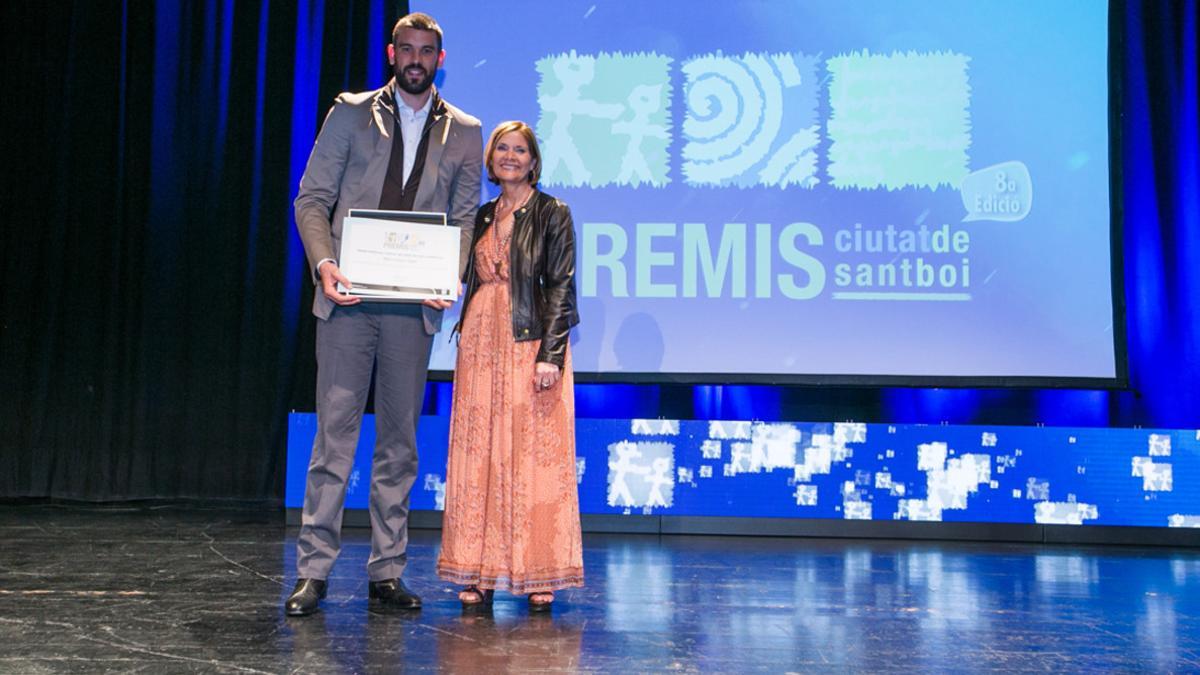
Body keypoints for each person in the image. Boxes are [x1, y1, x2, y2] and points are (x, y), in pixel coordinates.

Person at [287, 12, 482, 617]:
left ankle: (386, 571)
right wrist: (324, 266)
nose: (417, 59)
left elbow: (466, 216)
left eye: (428, 51)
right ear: (392, 53)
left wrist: (451, 273)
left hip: (411, 308)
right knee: (334, 438)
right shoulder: (350, 112)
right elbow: (312, 200)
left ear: (440, 59)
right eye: (408, 49)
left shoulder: (467, 132)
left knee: (399, 444)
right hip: (347, 300)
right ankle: (314, 571)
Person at [436, 121, 583, 612]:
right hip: (479, 344)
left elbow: (561, 286)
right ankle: (479, 570)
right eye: (503, 148)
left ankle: (539, 568)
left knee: (530, 457)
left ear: (533, 160)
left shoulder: (552, 213)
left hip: (528, 341)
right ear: (491, 159)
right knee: (479, 457)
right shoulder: (480, 216)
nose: (511, 156)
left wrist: (551, 355)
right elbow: (456, 275)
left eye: (520, 150)